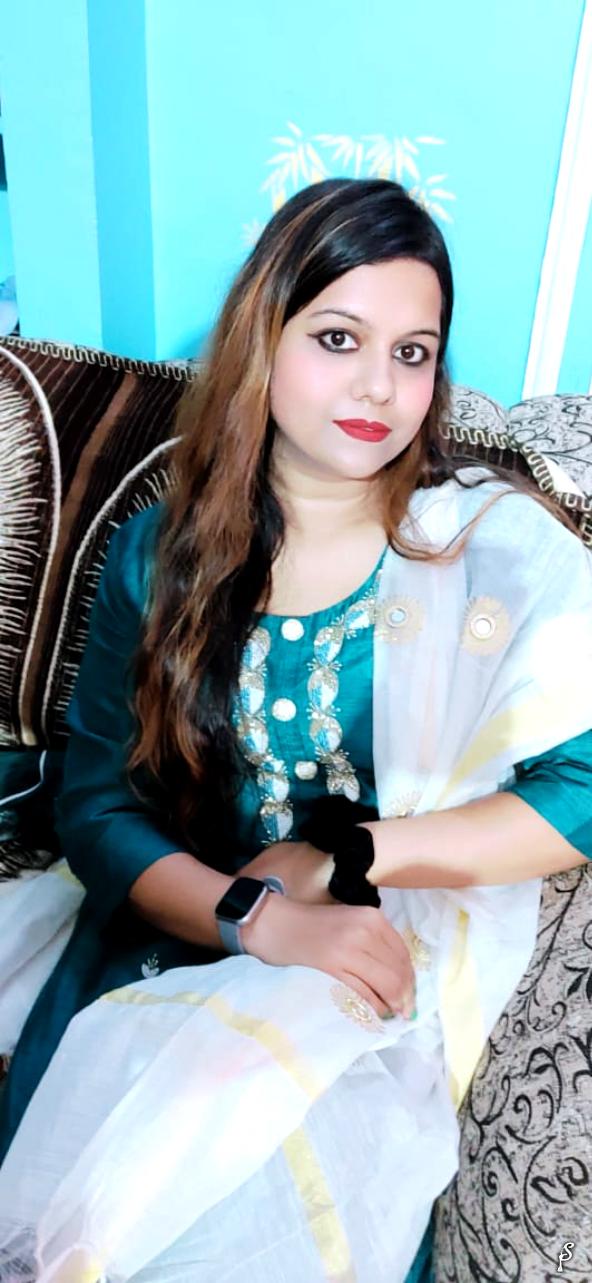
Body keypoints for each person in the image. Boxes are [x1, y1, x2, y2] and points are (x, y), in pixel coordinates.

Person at [0, 178, 591, 1283]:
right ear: (261, 338)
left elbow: (583, 784)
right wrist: (253, 919)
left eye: (412, 353)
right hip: (174, 921)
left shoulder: (483, 553)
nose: (378, 386)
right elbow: (98, 804)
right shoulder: (160, 554)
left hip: (358, 969)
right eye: (337, 338)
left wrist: (347, 857)